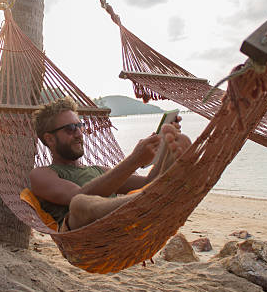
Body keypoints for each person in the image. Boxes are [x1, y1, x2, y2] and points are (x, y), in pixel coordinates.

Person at [30, 97, 192, 232]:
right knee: (79, 204)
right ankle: (153, 199)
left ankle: (156, 195)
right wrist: (134, 160)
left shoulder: (98, 170)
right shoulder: (42, 174)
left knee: (181, 140)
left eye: (80, 126)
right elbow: (78, 195)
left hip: (120, 229)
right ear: (50, 139)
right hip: (81, 237)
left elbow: (147, 182)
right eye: (71, 128)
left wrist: (164, 145)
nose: (79, 134)